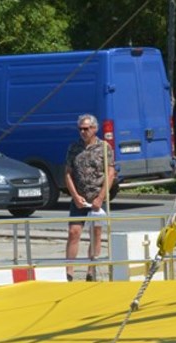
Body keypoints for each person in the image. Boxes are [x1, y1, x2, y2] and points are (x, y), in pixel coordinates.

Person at [64, 114, 115, 281]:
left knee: (96, 233)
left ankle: (91, 271)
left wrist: (101, 197)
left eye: (86, 129)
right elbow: (68, 173)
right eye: (80, 129)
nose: (83, 132)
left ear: (94, 129)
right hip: (80, 198)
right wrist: (75, 196)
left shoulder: (104, 147)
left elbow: (110, 172)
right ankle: (69, 272)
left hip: (97, 198)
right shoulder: (74, 148)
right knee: (74, 232)